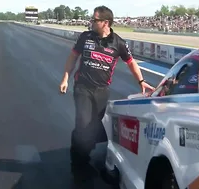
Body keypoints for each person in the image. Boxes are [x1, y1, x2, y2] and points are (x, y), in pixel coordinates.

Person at [58, 5, 154, 184]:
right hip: (82, 88)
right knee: (83, 126)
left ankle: (84, 152)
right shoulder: (85, 37)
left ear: (105, 23)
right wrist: (65, 78)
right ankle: (78, 165)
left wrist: (141, 82)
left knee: (94, 129)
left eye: (94, 20)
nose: (91, 22)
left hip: (102, 91)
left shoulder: (118, 43)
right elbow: (73, 57)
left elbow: (131, 63)